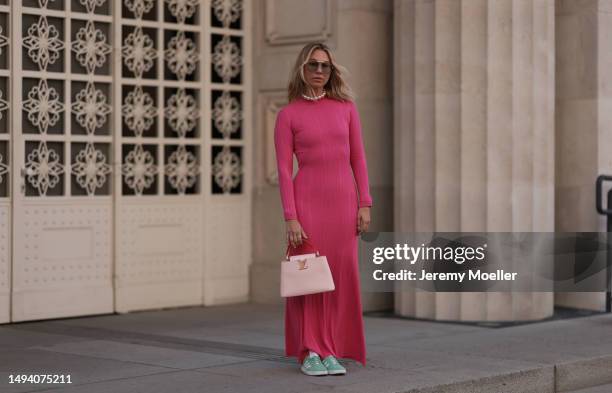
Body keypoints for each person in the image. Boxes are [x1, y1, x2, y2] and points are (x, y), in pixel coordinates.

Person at [273, 42, 373, 376]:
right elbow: (285, 170)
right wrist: (291, 216)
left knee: (342, 277)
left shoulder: (346, 108)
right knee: (312, 280)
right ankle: (311, 350)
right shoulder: (288, 115)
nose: (319, 71)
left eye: (325, 66)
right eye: (313, 65)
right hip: (308, 205)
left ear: (332, 72)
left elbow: (358, 158)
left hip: (344, 205)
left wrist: (365, 203)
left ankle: (331, 349)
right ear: (302, 68)